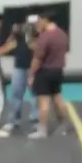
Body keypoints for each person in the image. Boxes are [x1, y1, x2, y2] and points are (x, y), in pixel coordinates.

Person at [29, 11, 72, 139]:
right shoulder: (62, 34)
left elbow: (37, 58)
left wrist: (31, 75)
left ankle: (42, 130)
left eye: (39, 21)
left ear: (45, 20)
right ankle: (64, 125)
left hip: (45, 71)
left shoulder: (45, 37)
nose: (37, 24)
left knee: (43, 101)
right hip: (58, 70)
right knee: (57, 97)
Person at [1, 16, 39, 133]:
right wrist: (13, 33)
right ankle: (13, 121)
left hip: (33, 68)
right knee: (16, 94)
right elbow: (6, 46)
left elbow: (35, 48)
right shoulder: (19, 35)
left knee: (35, 95)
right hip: (19, 68)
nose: (30, 26)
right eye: (29, 24)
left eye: (33, 24)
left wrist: (30, 36)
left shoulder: (39, 35)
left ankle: (35, 120)